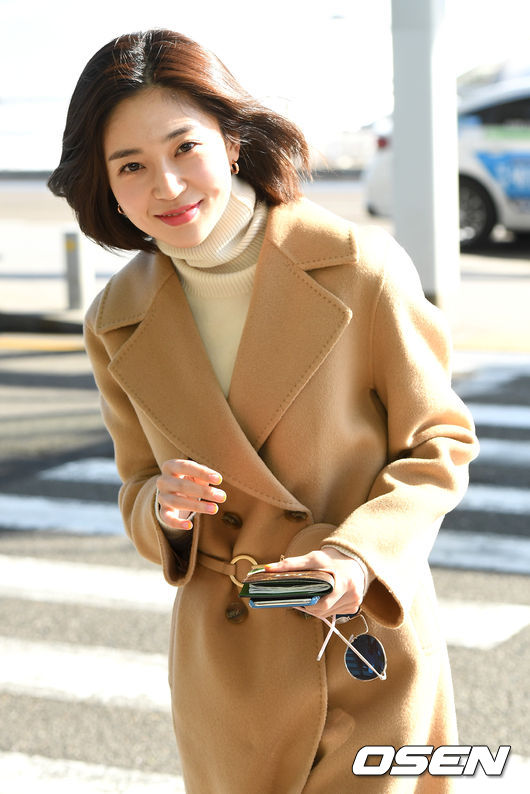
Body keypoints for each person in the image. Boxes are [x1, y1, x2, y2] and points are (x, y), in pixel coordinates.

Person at [48, 29, 478, 793]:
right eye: (132, 167)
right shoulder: (115, 317)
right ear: (105, 184)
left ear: (233, 140)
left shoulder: (357, 266)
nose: (168, 188)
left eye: (185, 148)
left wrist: (359, 555)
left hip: (360, 643)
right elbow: (136, 486)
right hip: (228, 680)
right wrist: (165, 509)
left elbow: (439, 440)